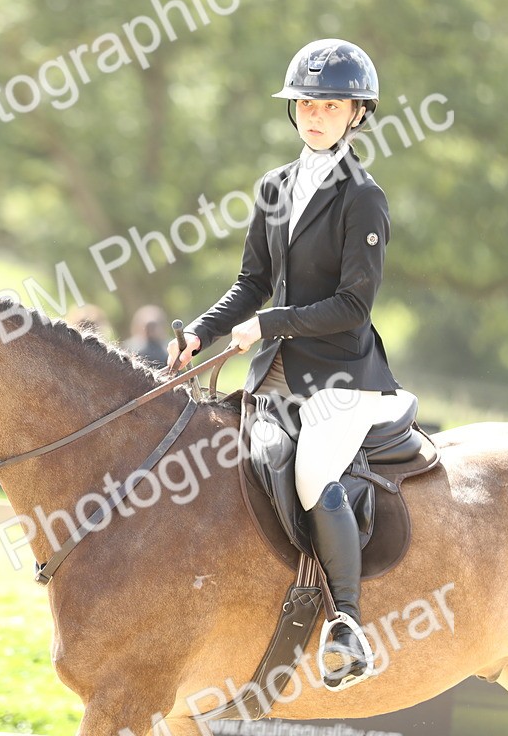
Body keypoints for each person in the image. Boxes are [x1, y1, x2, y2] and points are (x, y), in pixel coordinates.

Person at [166, 39, 401, 690]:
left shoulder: (363, 198)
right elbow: (252, 282)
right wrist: (202, 331)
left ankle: (347, 622)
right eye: (307, 104)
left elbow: (353, 305)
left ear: (357, 114)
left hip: (342, 377)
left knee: (313, 473)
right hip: (274, 372)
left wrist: (270, 324)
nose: (316, 116)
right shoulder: (274, 186)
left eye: (331, 106)